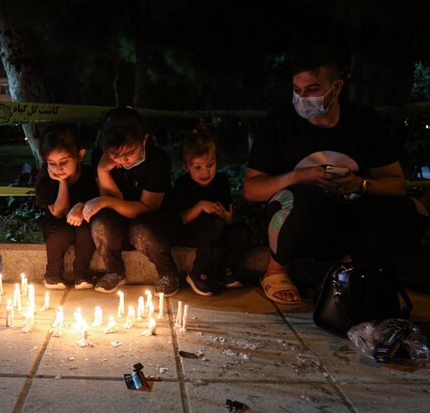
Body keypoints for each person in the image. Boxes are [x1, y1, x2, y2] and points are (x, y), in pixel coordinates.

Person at [244, 44, 429, 305]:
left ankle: (343, 271)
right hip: (299, 219)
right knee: (300, 199)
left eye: (313, 89)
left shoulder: (364, 122)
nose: (303, 98)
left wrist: (361, 184)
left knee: (414, 213)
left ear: (337, 87)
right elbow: (251, 190)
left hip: (350, 216)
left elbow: (396, 185)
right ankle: (276, 270)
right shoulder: (281, 123)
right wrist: (301, 176)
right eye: (297, 91)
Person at [83, 107, 180, 296]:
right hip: (123, 222)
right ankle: (114, 271)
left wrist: (105, 201)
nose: (123, 159)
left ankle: (168, 273)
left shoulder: (156, 160)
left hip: (155, 223)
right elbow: (113, 201)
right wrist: (103, 171)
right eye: (115, 154)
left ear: (144, 139)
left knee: (140, 229)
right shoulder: (100, 157)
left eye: (130, 152)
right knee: (101, 221)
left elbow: (146, 208)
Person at [170, 125, 251, 296]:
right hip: (194, 232)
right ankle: (198, 272)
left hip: (219, 229)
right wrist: (200, 206)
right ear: (186, 167)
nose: (205, 172)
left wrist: (227, 216)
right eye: (198, 168)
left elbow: (228, 214)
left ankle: (226, 271)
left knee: (241, 231)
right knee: (212, 224)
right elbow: (180, 220)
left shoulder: (221, 181)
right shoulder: (183, 185)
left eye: (210, 165)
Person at [35, 124, 98, 289]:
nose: (58, 169)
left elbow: (98, 203)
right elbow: (59, 212)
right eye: (52, 163)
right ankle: (53, 274)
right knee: (59, 233)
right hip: (56, 223)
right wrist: (62, 181)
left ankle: (82, 273)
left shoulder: (91, 176)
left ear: (80, 155)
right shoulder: (45, 178)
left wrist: (82, 206)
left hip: (84, 222)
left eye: (64, 162)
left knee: (86, 231)